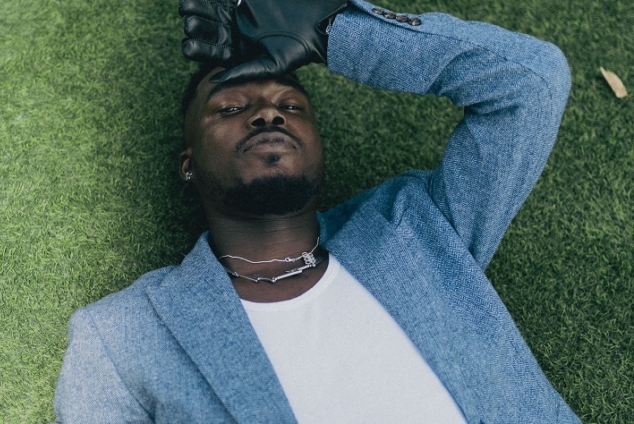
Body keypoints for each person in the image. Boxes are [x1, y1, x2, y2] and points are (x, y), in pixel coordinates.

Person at [54, 0, 580, 422]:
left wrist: (332, 32)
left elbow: (530, 84)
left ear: (319, 146)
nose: (267, 114)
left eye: (291, 106)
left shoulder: (417, 226)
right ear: (187, 164)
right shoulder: (119, 337)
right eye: (230, 108)